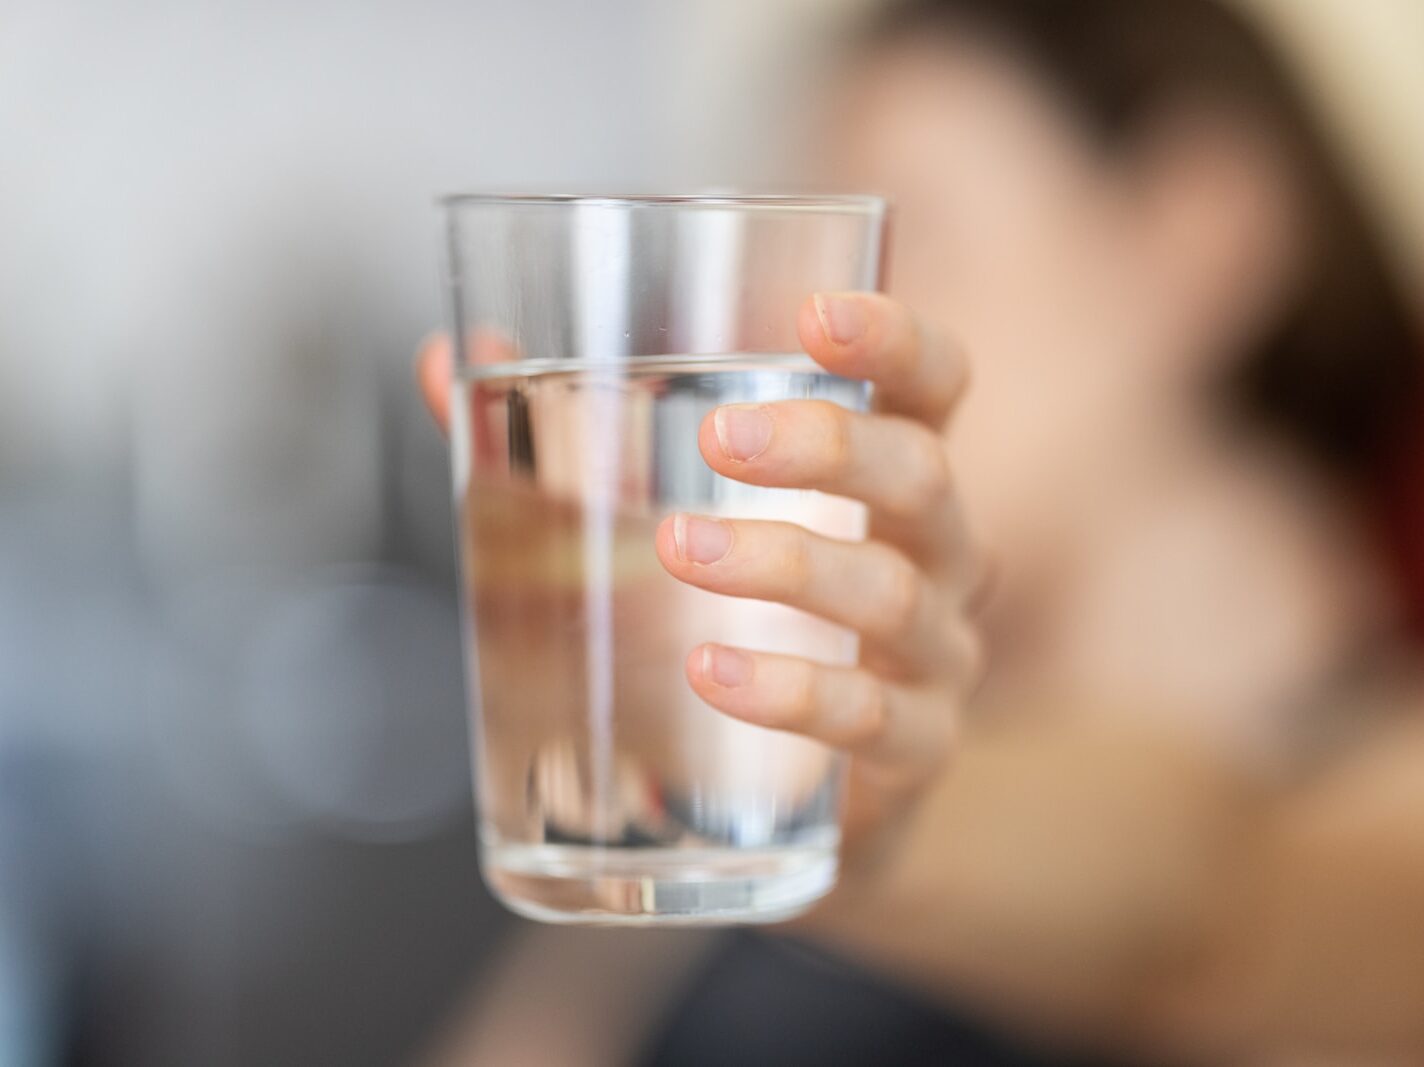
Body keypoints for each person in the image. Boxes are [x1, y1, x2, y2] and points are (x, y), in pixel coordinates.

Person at [415, 0, 1424, 1062]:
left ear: (1201, 226)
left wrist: (885, 837)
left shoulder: (1380, 789)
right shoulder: (753, 761)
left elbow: (1215, 913)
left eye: (906, 235)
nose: (795, 328)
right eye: (790, 262)